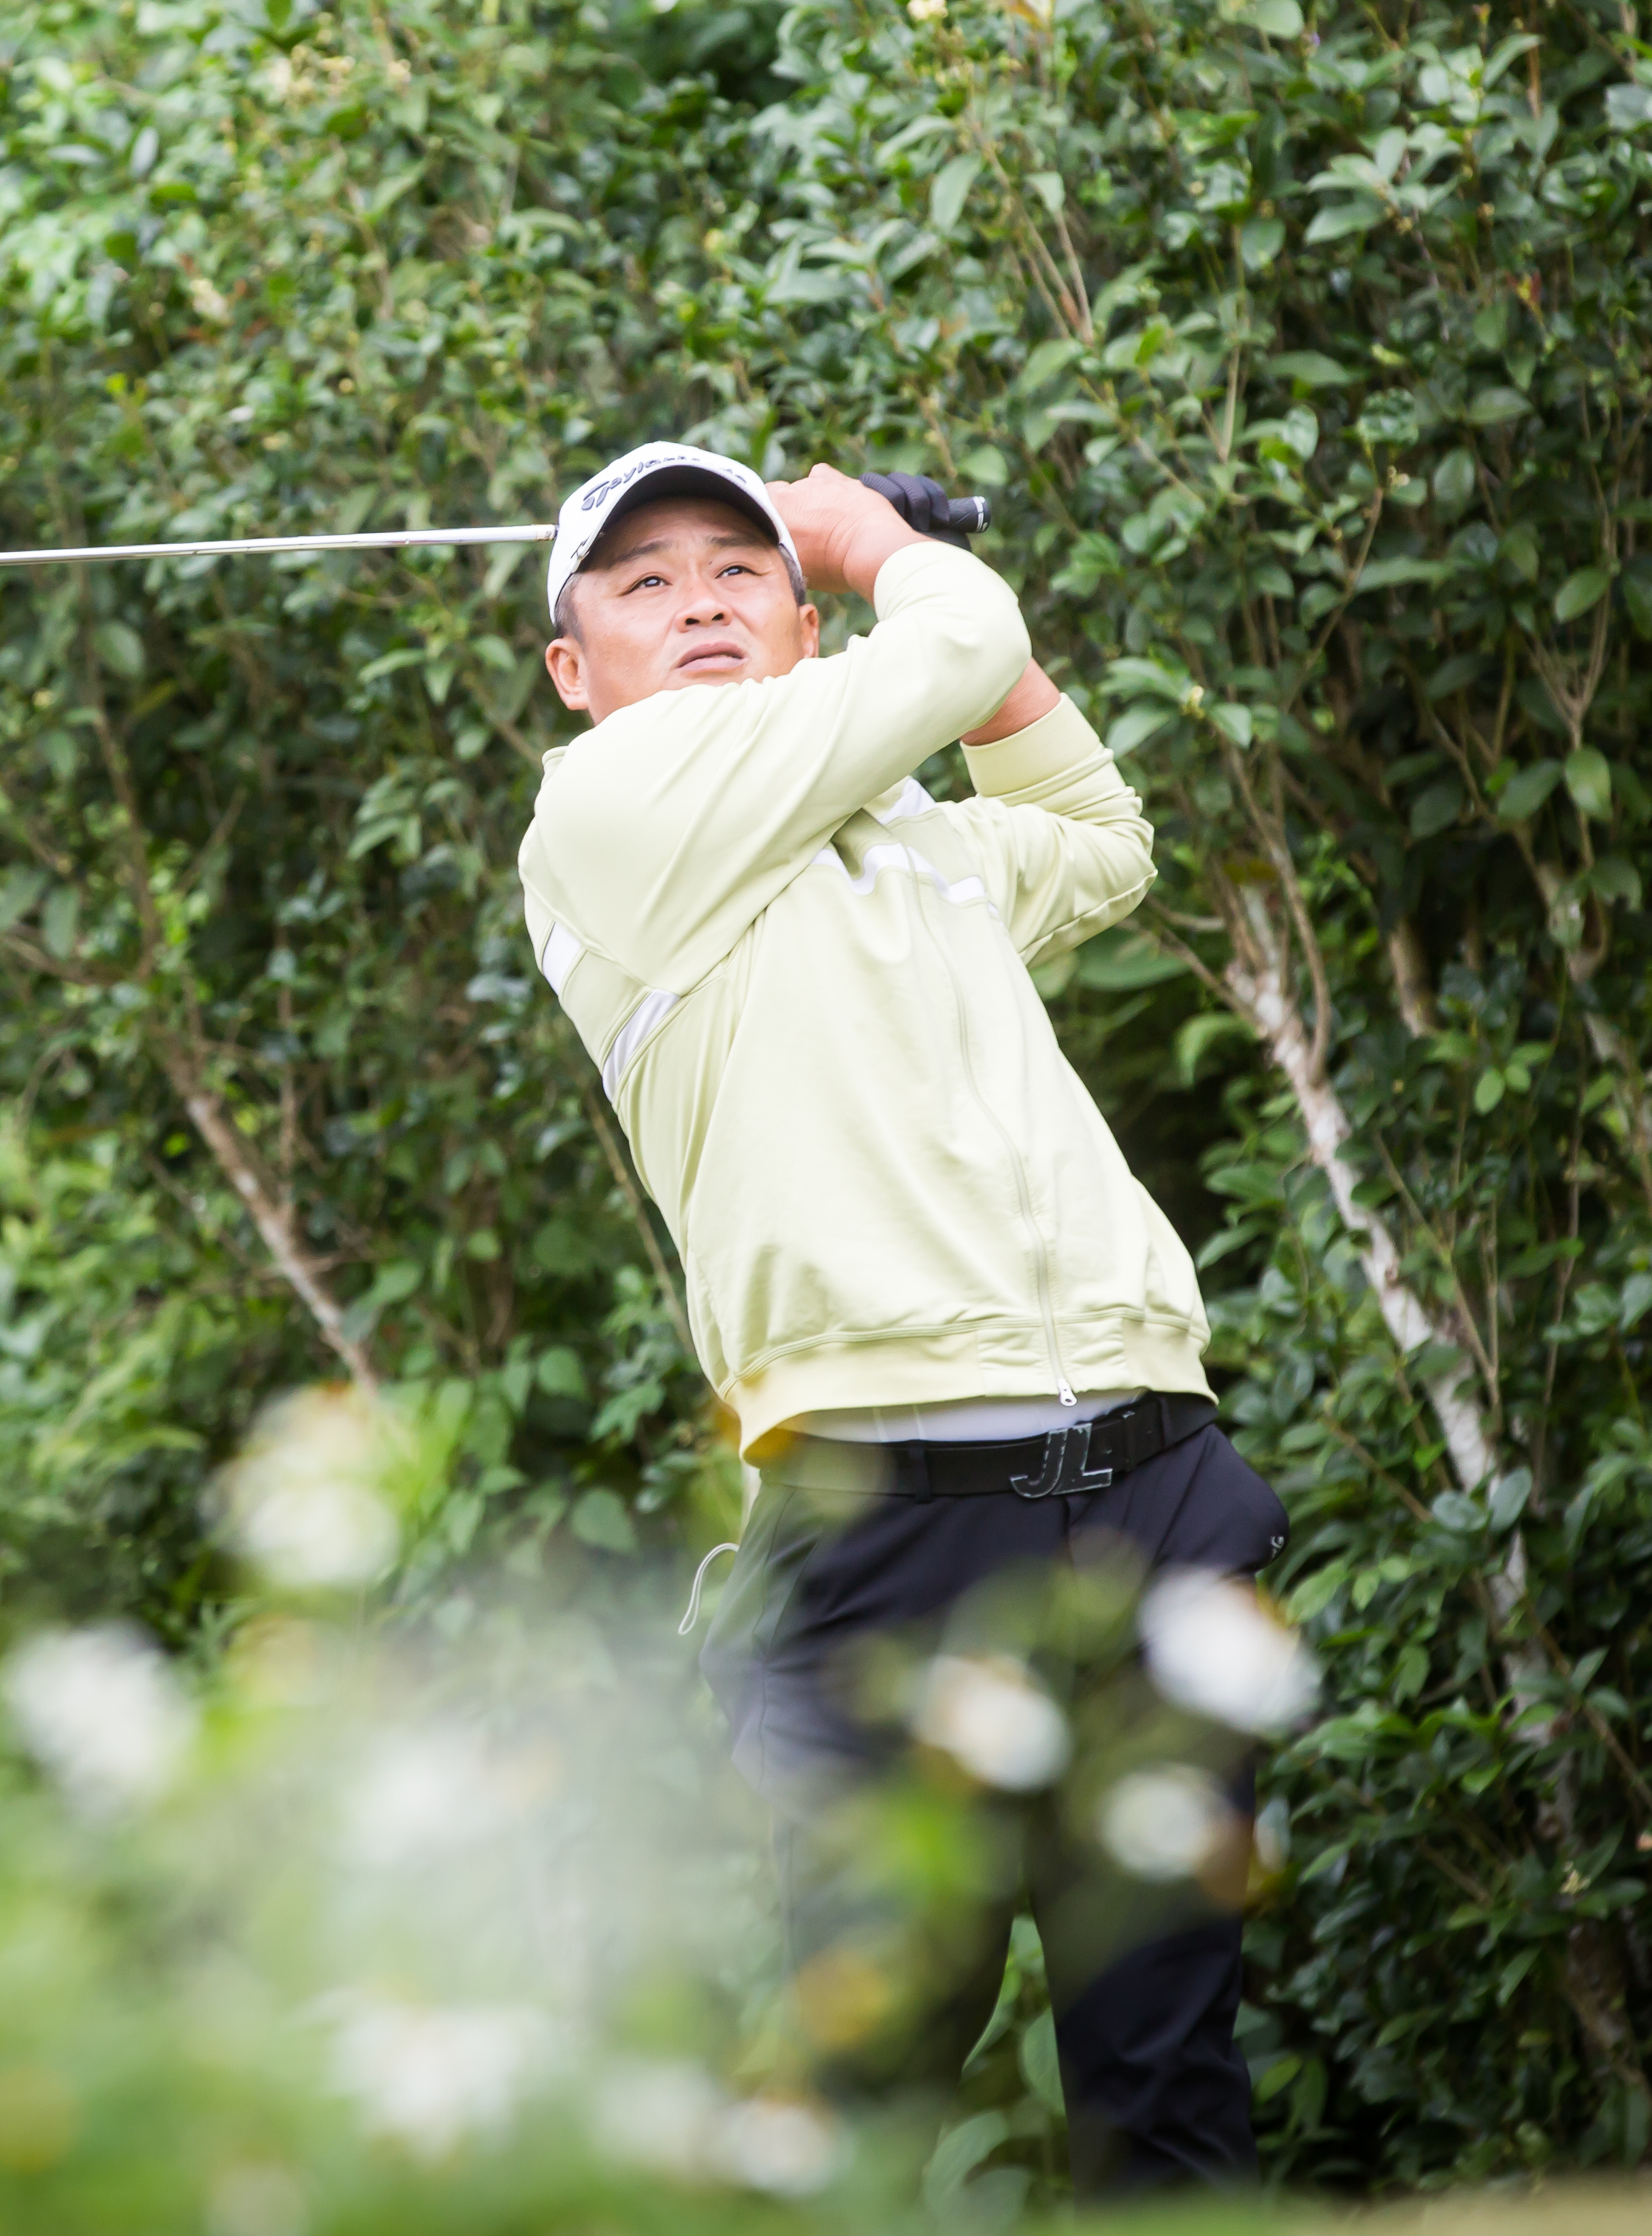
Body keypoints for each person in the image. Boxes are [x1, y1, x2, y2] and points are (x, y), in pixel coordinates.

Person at [515, 441, 1291, 2192]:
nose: (697, 600)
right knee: (872, 2073)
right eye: (641, 584)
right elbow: (940, 653)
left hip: (1153, 1474)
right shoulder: (613, 823)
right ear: (576, 675)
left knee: (1167, 2059)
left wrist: (945, 622)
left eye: (738, 570)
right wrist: (880, 548)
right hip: (892, 1516)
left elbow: (1103, 839)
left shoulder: (922, 847)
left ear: (791, 624)